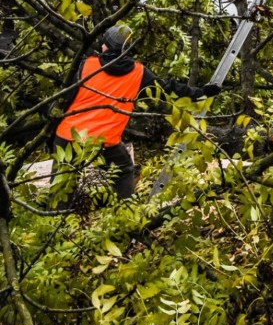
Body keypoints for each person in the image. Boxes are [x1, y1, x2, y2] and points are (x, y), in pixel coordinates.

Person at [53, 25, 219, 199]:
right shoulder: (138, 72)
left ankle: (55, 220)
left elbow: (64, 99)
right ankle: (127, 217)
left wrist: (52, 132)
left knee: (60, 189)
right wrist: (201, 92)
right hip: (103, 141)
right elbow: (169, 88)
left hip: (68, 136)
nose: (101, 46)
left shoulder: (86, 64)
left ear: (108, 46)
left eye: (104, 43)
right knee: (123, 172)